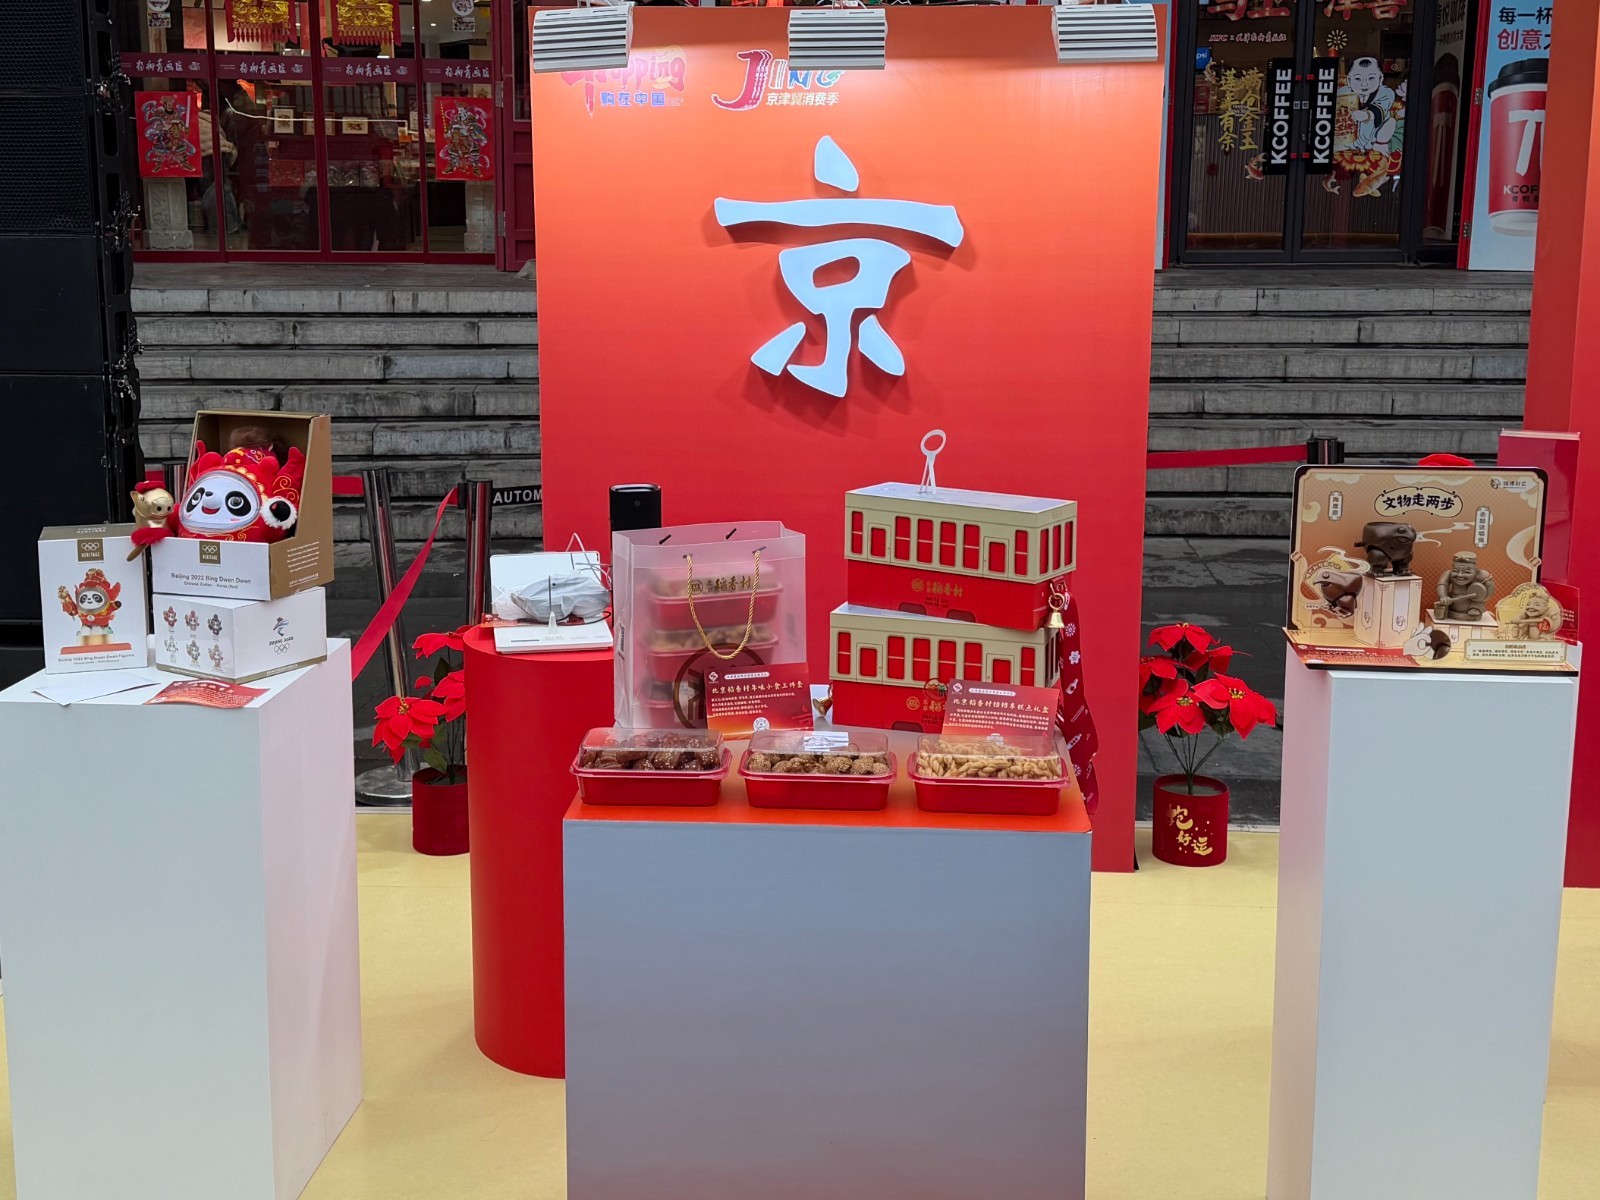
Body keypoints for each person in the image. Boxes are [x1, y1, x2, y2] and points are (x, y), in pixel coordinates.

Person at [190, 80, 242, 235]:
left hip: (206, 156)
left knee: (210, 189)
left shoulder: (193, 121)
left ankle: (218, 226)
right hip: (221, 152)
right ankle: (230, 224)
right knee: (222, 187)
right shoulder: (210, 120)